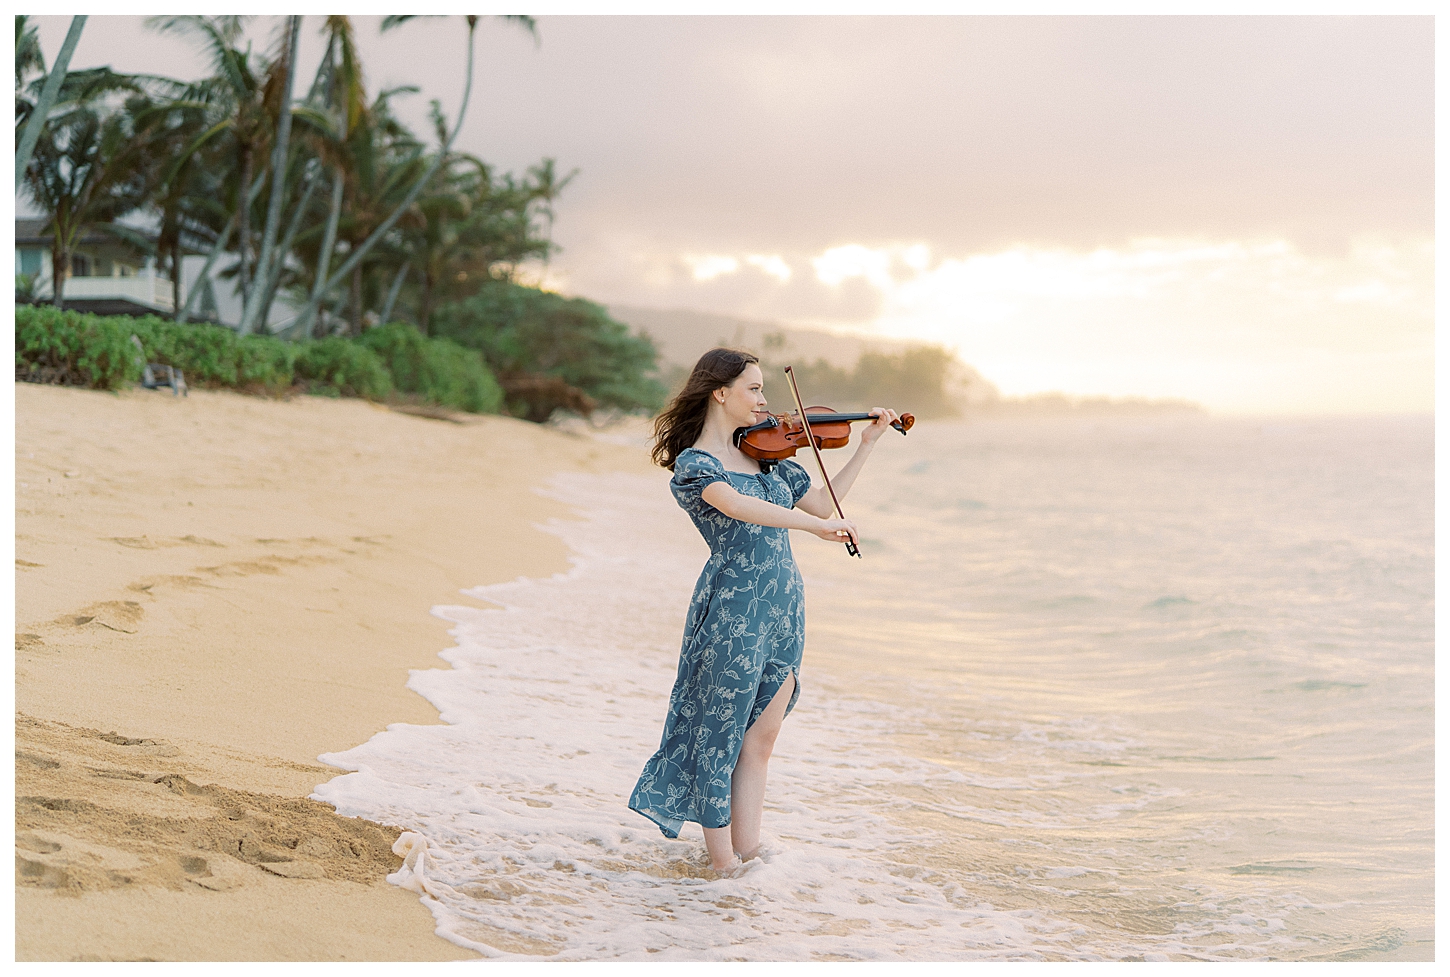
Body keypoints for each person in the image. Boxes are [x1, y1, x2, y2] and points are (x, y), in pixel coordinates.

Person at [628, 347, 901, 876]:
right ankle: (722, 865)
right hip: (733, 607)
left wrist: (865, 446)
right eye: (753, 389)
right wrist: (811, 528)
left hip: (783, 607)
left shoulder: (767, 458)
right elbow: (738, 506)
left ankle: (748, 855)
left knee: (762, 737)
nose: (764, 399)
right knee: (720, 732)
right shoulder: (697, 465)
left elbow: (823, 505)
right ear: (720, 393)